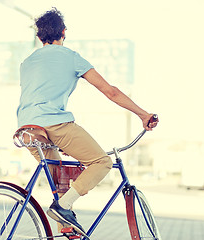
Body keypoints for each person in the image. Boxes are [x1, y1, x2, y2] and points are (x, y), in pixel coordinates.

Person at [16, 8, 158, 235]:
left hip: (27, 129)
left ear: (39, 36)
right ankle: (62, 207)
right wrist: (142, 114)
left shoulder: (26, 62)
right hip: (54, 125)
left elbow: (38, 98)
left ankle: (66, 229)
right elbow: (110, 92)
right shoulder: (71, 57)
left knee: (61, 182)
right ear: (63, 32)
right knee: (101, 162)